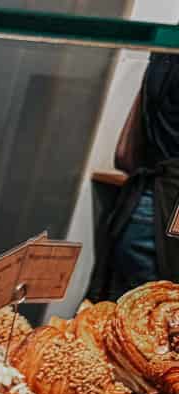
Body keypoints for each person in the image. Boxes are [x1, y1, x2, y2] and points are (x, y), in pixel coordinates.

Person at [90, 52, 179, 299]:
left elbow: (124, 154)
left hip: (139, 209)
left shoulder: (166, 47)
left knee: (126, 323)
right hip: (167, 224)